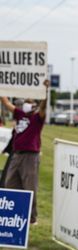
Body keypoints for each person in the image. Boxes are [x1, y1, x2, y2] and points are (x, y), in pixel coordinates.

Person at [0, 80, 49, 225]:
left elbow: (44, 107)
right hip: (16, 154)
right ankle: (13, 214)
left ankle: (32, 217)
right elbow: (6, 103)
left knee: (29, 186)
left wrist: (45, 91)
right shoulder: (20, 114)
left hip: (30, 155)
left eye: (30, 101)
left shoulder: (37, 118)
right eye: (25, 101)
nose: (27, 103)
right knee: (10, 183)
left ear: (34, 105)